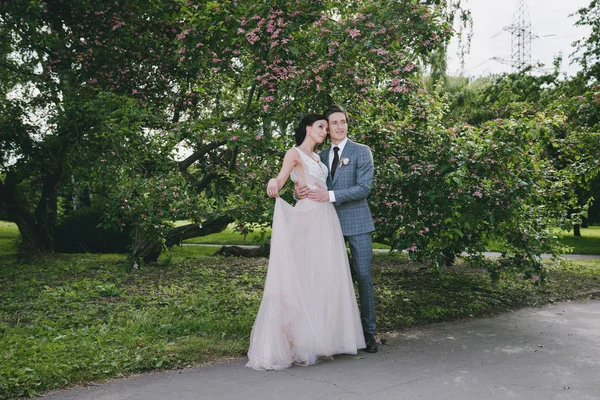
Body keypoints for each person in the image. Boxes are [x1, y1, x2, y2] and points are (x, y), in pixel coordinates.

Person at [246, 114, 365, 371]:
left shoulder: (320, 158)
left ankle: (323, 338)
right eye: (321, 127)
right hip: (308, 217)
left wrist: (300, 187)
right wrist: (274, 182)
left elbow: (317, 182)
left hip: (327, 218)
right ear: (308, 129)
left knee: (324, 275)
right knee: (303, 274)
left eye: (327, 126)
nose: (326, 131)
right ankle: (297, 339)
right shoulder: (294, 152)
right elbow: (282, 177)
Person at [296, 104, 378, 353]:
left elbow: (364, 188)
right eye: (335, 123)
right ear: (327, 128)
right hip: (325, 225)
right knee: (329, 279)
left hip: (357, 224)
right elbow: (309, 183)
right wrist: (298, 191)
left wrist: (329, 195)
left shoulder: (362, 151)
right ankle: (334, 335)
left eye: (344, 121)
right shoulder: (318, 157)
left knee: (362, 275)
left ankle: (369, 332)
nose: (340, 126)